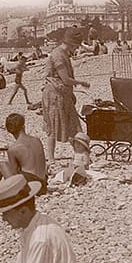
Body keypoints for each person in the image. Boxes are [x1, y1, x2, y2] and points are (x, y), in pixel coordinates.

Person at [42, 27, 90, 163]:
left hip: (63, 93)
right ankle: (51, 159)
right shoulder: (58, 55)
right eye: (76, 45)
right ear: (72, 43)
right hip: (55, 95)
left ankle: (80, 153)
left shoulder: (63, 53)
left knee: (72, 123)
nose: (76, 49)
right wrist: (82, 82)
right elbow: (66, 79)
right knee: (54, 125)